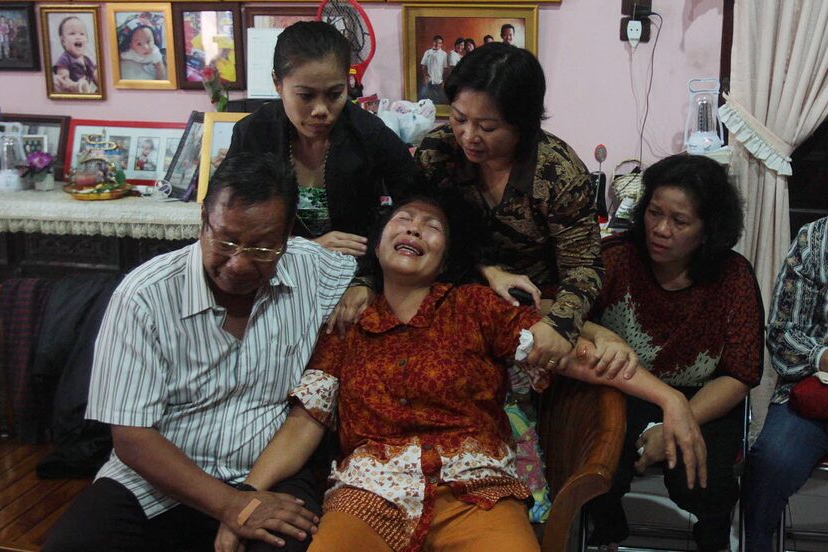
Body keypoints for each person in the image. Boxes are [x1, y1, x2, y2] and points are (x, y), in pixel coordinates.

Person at [213, 195, 707, 552]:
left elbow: (568, 354)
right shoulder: (348, 324)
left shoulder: (474, 307)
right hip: (366, 494)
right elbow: (305, 423)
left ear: (446, 256)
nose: (412, 229)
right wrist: (244, 501)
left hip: (477, 492)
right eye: (402, 220)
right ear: (380, 242)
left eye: (430, 226)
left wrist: (669, 398)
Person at [42, 153, 357, 552]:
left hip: (266, 471)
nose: (240, 264)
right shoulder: (145, 296)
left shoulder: (313, 270)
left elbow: (376, 270)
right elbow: (131, 437)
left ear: (287, 233)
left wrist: (361, 287)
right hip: (155, 478)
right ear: (203, 217)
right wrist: (233, 505)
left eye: (263, 248)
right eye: (225, 241)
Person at [585, 154, 764, 552]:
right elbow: (562, 314)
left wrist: (672, 426)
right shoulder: (616, 257)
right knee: (599, 466)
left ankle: (712, 536)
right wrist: (598, 332)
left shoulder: (732, 277)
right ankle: (607, 531)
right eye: (654, 213)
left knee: (702, 479)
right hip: (622, 388)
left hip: (702, 398)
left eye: (679, 221)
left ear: (708, 229)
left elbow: (740, 372)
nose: (660, 230)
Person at [225, 21, 426, 330]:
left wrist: (367, 277)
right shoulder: (254, 134)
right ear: (278, 84)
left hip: (357, 280)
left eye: (335, 94)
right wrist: (306, 249)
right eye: (305, 96)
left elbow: (419, 207)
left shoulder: (369, 134)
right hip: (274, 278)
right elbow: (229, 222)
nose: (321, 110)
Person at [416, 44, 601, 359]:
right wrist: (487, 269)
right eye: (459, 118)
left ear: (523, 125)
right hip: (453, 299)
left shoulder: (559, 174)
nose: (468, 136)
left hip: (533, 306)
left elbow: (583, 266)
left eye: (487, 127)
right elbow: (423, 229)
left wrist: (559, 323)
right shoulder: (438, 152)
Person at [743, 215, 828, 552]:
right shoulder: (816, 239)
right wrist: (822, 357)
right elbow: (781, 334)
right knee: (771, 461)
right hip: (815, 392)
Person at [52, 16, 98, 94]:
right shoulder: (65, 58)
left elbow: (94, 76)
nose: (78, 37)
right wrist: (75, 86)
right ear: (63, 41)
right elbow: (63, 81)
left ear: (86, 39)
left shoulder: (87, 60)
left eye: (82, 34)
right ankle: (78, 87)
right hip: (73, 92)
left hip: (86, 92)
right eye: (72, 33)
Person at [419, 34, 448, 104]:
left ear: (441, 44)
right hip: (429, 81)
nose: (437, 44)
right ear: (433, 42)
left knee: (441, 101)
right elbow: (423, 65)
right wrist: (425, 76)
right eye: (436, 42)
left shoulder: (444, 54)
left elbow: (445, 68)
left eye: (440, 43)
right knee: (423, 99)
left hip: (439, 82)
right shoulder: (427, 52)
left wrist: (444, 81)